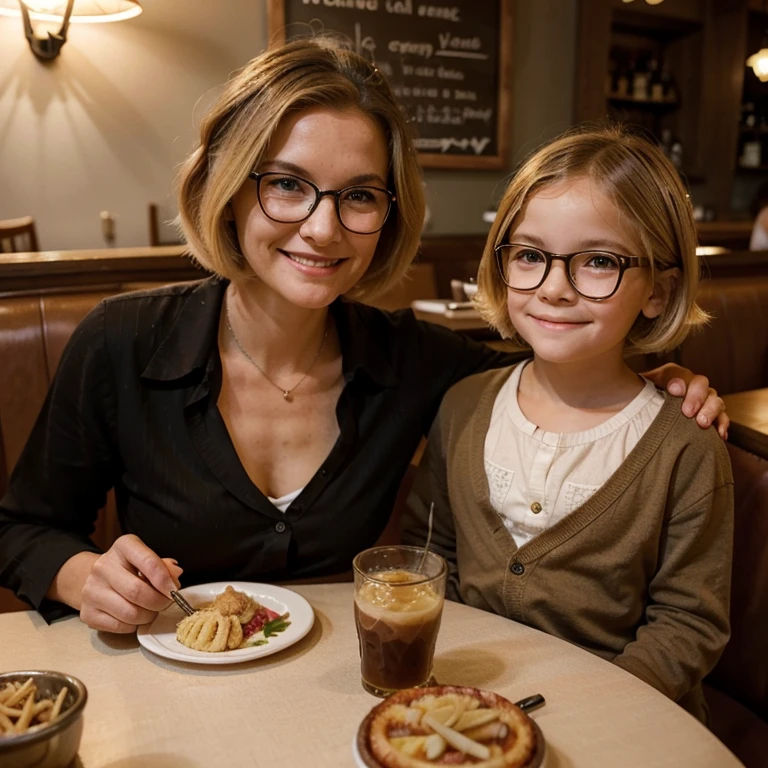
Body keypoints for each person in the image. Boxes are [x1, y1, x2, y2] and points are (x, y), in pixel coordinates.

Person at [0, 39, 726, 635]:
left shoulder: (419, 362)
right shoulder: (122, 343)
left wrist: (659, 376)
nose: (323, 227)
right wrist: (83, 576)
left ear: (388, 211)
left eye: (358, 195)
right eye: (286, 183)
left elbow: (563, 370)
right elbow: (23, 528)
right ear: (227, 187)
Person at [403, 124, 733, 723]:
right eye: (530, 255)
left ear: (658, 290)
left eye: (600, 261)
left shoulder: (687, 445)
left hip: (625, 719)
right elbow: (434, 554)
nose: (554, 288)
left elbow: (689, 622)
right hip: (473, 702)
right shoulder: (463, 405)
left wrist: (596, 710)